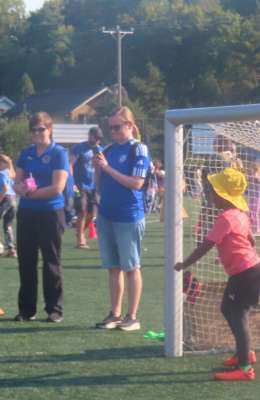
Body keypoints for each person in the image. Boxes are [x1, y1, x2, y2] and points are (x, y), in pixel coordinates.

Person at [175, 168, 260, 381]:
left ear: (223, 195)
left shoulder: (226, 218)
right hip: (248, 270)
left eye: (214, 191)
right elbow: (250, 239)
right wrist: (232, 252)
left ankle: (245, 368)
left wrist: (184, 264)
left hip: (246, 274)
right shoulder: (239, 214)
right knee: (226, 308)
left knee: (239, 315)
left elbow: (206, 245)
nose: (211, 195)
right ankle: (245, 352)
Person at [93, 106, 150, 331]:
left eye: (117, 127)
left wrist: (107, 168)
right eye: (110, 128)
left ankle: (132, 316)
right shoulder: (107, 149)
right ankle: (115, 313)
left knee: (131, 266)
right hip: (107, 214)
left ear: (130, 126)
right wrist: (98, 169)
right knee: (113, 267)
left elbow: (137, 183)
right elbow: (100, 186)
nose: (113, 132)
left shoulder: (139, 149)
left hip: (128, 215)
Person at [13, 112, 69, 323]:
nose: (37, 133)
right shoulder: (25, 153)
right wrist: (21, 189)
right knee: (26, 262)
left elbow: (58, 187)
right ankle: (27, 310)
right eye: (34, 130)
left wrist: (31, 193)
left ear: (50, 129)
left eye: (41, 129)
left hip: (50, 212)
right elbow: (16, 182)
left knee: (51, 262)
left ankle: (54, 309)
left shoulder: (59, 153)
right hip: (27, 212)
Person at [71, 126, 104, 248]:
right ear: (90, 135)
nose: (97, 140)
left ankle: (80, 233)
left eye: (99, 138)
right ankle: (80, 239)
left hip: (94, 185)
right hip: (80, 185)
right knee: (83, 211)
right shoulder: (79, 148)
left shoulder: (100, 149)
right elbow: (71, 164)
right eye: (95, 137)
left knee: (92, 214)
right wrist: (72, 183)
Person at [246, 159, 260, 235]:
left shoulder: (257, 175)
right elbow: (248, 184)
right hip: (251, 196)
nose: (249, 169)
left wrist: (254, 176)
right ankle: (252, 228)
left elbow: (257, 180)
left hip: (257, 197)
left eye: (251, 167)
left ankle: (256, 229)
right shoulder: (251, 176)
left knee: (254, 212)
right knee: (250, 212)